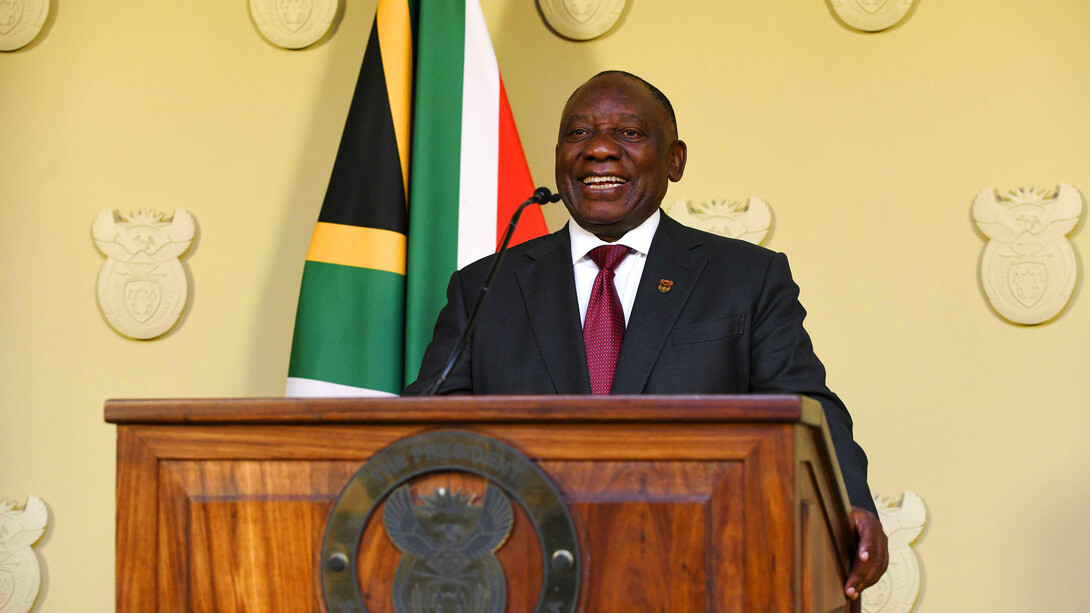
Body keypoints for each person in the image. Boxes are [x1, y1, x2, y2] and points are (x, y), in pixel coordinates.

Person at [404, 70, 888, 599]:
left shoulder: (745, 279)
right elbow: (429, 426)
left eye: (630, 134)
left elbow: (807, 404)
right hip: (526, 576)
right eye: (578, 133)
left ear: (675, 160)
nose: (600, 150)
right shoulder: (486, 287)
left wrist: (850, 502)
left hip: (698, 570)